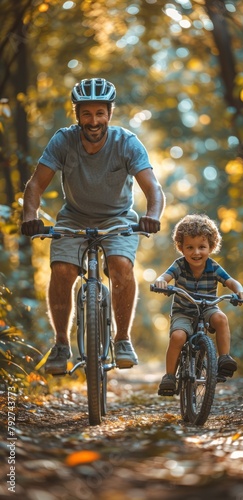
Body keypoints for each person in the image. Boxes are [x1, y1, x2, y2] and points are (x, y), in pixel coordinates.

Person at [21, 77, 165, 375]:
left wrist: (151, 214)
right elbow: (35, 185)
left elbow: (154, 189)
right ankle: (61, 344)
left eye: (100, 113)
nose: (94, 121)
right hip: (74, 216)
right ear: (77, 115)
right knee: (62, 269)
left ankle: (122, 339)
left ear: (109, 114)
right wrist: (30, 217)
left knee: (121, 264)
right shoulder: (63, 140)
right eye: (86, 113)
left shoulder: (126, 143)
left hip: (118, 218)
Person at [154, 213, 243, 396]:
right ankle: (169, 377)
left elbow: (231, 282)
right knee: (178, 337)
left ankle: (224, 359)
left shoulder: (213, 267)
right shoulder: (179, 265)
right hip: (183, 311)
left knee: (221, 318)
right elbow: (163, 277)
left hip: (208, 308)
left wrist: (240, 291)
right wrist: (161, 282)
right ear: (181, 248)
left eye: (202, 247)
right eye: (190, 247)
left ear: (211, 247)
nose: (196, 252)